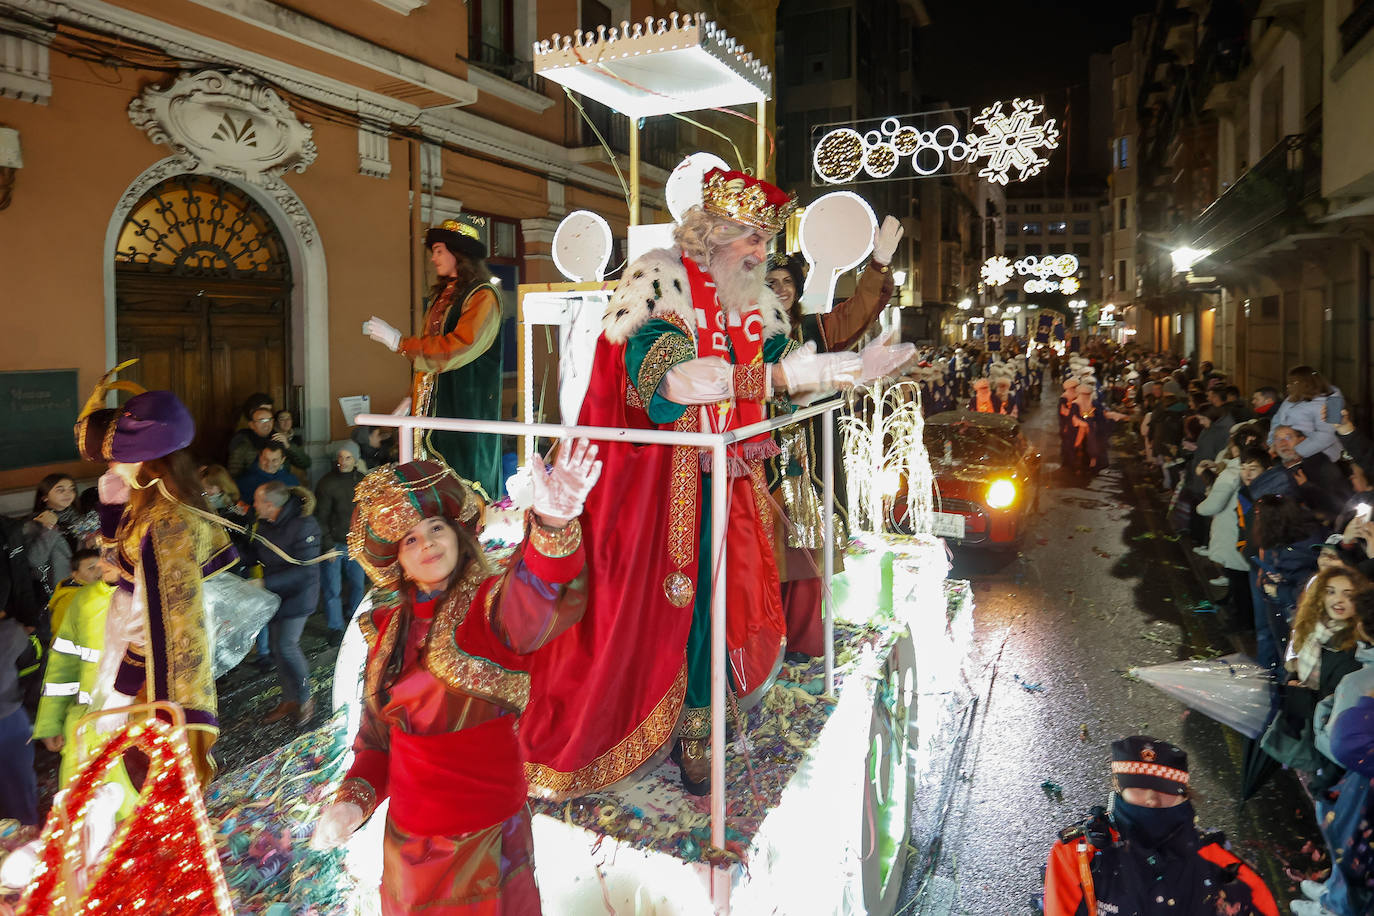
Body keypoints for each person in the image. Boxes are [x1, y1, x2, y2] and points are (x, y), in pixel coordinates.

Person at [517, 168, 897, 798]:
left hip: (722, 475)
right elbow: (672, 384)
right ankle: (680, 732)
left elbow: (786, 364)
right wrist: (781, 379)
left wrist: (849, 365)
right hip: (649, 490)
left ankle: (702, 717)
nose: (760, 254)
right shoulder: (658, 281)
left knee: (715, 603)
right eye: (751, 239)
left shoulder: (747, 300)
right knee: (672, 606)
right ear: (713, 233)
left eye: (766, 242)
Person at [311, 446, 601, 914]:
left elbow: (540, 598)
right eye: (409, 540)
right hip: (407, 849)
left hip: (487, 839)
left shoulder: (492, 604)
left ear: (459, 535)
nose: (425, 543)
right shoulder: (386, 631)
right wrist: (352, 803)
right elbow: (377, 744)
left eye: (435, 528)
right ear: (398, 562)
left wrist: (550, 524)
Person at [73, 362, 237, 786]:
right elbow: (125, 556)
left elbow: (157, 617)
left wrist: (125, 685)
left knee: (153, 771)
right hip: (128, 635)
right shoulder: (148, 497)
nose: (110, 469)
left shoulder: (168, 522)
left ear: (143, 457)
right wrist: (111, 510)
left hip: (153, 671)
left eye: (114, 460)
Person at [763, 220, 907, 660]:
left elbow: (862, 308)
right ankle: (765, 650)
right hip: (759, 468)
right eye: (771, 282)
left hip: (809, 469)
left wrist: (879, 262)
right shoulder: (743, 335)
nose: (781, 288)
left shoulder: (819, 330)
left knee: (808, 561)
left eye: (788, 281)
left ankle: (806, 647)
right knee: (761, 562)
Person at [1043, 736, 1278, 916]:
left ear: (1184, 796)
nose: (1151, 799)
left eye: (1164, 791)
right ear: (1118, 788)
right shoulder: (1077, 854)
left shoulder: (1223, 867)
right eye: (1137, 788)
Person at [364, 220, 504, 499]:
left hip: (465, 403)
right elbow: (431, 354)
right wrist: (413, 396)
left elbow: (459, 347)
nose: (433, 257)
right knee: (429, 478)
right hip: (433, 406)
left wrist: (399, 342)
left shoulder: (482, 296)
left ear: (458, 253)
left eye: (439, 250)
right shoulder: (444, 296)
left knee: (462, 477)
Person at [31, 554, 129, 793]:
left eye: (112, 557)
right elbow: (63, 666)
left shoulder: (153, 599)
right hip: (87, 729)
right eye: (101, 558)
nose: (103, 565)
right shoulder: (84, 601)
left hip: (141, 728)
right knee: (83, 809)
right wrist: (51, 724)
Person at [1306, 591, 1374, 916]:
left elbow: (1342, 746)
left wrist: (1321, 725)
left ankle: (1335, 907)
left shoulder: (1360, 681)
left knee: (1353, 854)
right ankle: (1333, 896)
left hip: (1358, 792)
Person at [245, 481, 322, 726]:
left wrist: (265, 583)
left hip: (299, 594)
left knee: (287, 646)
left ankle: (306, 699)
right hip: (277, 594)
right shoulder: (265, 524)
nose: (253, 505)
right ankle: (290, 698)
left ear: (269, 504)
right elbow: (256, 552)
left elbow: (306, 573)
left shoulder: (304, 524)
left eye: (257, 501)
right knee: (278, 651)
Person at [315, 440, 367, 644]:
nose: (343, 462)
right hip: (335, 544)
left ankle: (354, 618)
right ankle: (335, 627)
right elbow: (321, 516)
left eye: (348, 458)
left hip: (356, 543)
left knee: (357, 584)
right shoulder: (328, 483)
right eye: (340, 457)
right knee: (332, 588)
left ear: (355, 460)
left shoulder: (362, 481)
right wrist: (327, 544)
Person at [1268, 366, 1343, 462]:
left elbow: (1328, 435)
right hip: (1288, 452)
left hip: (1320, 457)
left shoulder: (1333, 402)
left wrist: (1300, 451)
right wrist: (1273, 442)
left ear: (1304, 383)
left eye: (1292, 383)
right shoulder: (1293, 397)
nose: (1288, 386)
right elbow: (1277, 419)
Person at [46, 547, 102, 637]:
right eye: (91, 568)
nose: (99, 571)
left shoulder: (95, 591)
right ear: (75, 574)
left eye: (101, 566)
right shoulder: (70, 599)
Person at [227, 404, 281, 478]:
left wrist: (288, 446)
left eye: (269, 420)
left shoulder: (278, 438)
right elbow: (234, 475)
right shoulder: (242, 442)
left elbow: (300, 463)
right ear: (251, 425)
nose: (266, 424)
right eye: (262, 420)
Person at [235, 441, 300, 499]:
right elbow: (237, 508)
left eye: (274, 460)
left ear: (282, 460)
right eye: (265, 459)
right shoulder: (244, 482)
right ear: (260, 457)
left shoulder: (292, 481)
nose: (269, 464)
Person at [273, 408, 312, 480]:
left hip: (295, 479)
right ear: (276, 422)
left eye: (289, 419)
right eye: (282, 419)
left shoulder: (296, 439)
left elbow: (306, 463)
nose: (286, 422)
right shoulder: (272, 438)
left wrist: (288, 446)